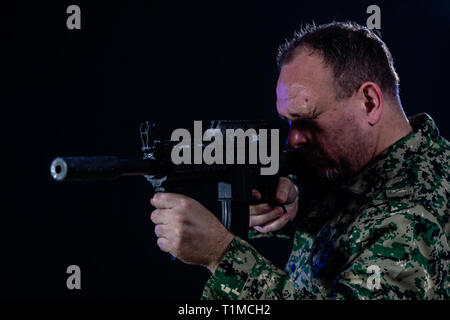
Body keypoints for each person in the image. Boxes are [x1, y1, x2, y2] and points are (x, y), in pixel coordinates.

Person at [150, 21, 449, 299]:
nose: (293, 139)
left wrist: (222, 255)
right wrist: (296, 202)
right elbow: (354, 212)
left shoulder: (413, 216)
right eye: (289, 122)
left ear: (369, 102)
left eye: (308, 119)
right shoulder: (374, 161)